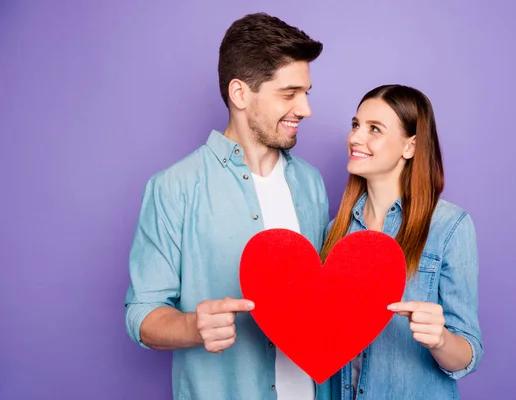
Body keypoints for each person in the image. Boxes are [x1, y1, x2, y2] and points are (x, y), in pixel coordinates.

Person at [124, 13, 331, 400]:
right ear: (240, 94)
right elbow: (142, 314)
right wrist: (193, 327)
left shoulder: (311, 184)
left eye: (306, 93)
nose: (305, 110)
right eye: (289, 94)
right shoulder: (174, 188)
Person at [321, 84, 483, 400]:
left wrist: (440, 340)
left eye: (374, 129)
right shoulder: (335, 232)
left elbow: (468, 353)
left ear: (410, 146)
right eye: (356, 125)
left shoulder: (449, 226)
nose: (355, 138)